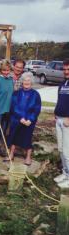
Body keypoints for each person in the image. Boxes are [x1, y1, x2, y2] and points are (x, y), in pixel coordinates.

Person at [6, 72, 41, 165]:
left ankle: (28, 157)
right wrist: (21, 118)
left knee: (27, 137)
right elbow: (13, 107)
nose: (26, 82)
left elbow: (37, 109)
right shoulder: (16, 93)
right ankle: (11, 154)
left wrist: (30, 119)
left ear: (32, 82)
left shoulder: (36, 94)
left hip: (29, 121)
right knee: (13, 136)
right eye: (25, 80)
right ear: (22, 81)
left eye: (29, 80)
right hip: (17, 119)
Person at [53, 59, 69, 188]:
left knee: (67, 150)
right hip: (58, 119)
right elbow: (60, 99)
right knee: (61, 149)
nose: (66, 72)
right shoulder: (63, 83)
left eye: (68, 69)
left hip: (67, 121)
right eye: (64, 69)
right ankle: (65, 172)